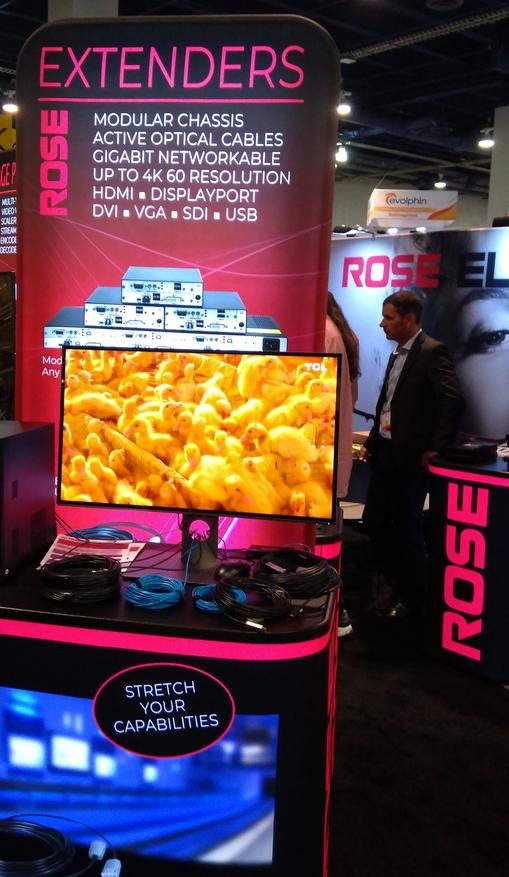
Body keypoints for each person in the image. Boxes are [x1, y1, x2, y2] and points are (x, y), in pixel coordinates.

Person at [358, 290, 464, 619]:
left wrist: (436, 447)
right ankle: (394, 584)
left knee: (407, 527)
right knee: (375, 521)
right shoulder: (397, 354)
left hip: (410, 457)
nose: (382, 324)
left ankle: (414, 598)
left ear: (408, 319)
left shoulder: (432, 351)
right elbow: (388, 404)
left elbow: (452, 400)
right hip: (386, 452)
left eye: (388, 318)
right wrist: (372, 441)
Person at [325, 291, 361, 636]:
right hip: (331, 449)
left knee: (320, 539)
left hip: (321, 452)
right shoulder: (344, 334)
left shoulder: (324, 332)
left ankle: (335, 611)